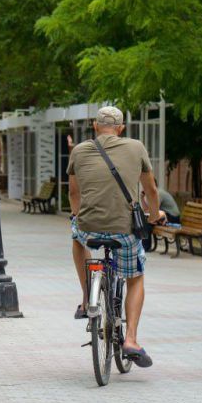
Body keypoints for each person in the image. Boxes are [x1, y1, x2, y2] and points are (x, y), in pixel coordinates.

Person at [68, 106, 164, 367]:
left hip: (89, 227)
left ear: (95, 126)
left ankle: (88, 295)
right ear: (121, 128)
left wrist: (78, 216)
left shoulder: (79, 150)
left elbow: (74, 195)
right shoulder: (136, 147)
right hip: (124, 230)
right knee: (135, 277)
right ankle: (131, 339)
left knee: (77, 237)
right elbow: (151, 189)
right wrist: (154, 215)